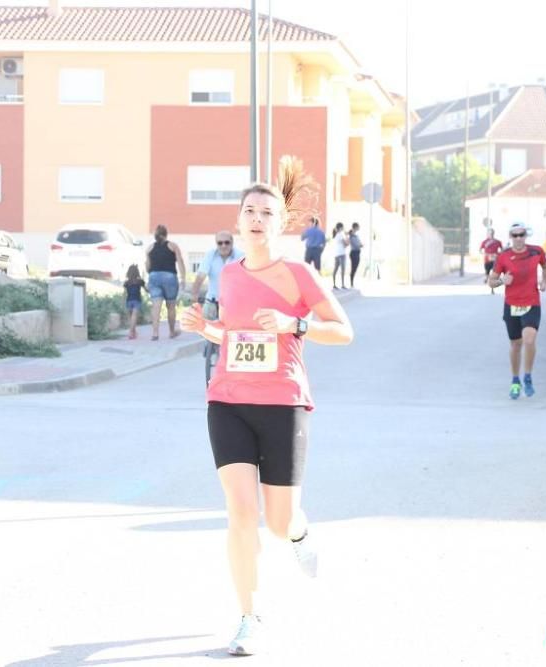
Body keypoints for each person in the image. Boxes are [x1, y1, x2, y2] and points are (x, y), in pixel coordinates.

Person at [179, 158, 353, 657]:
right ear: (238, 220)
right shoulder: (228, 276)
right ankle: (248, 616)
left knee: (278, 522)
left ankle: (298, 534)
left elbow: (343, 332)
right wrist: (205, 329)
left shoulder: (298, 274)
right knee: (240, 512)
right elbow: (235, 338)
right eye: (249, 210)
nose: (257, 219)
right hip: (228, 400)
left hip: (283, 404)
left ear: (281, 224)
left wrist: (293, 323)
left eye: (267, 213)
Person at [488, 222, 546, 400]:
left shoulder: (536, 251)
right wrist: (501, 281)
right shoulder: (503, 256)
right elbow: (491, 282)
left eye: (521, 234)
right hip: (511, 304)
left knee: (529, 339)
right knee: (516, 344)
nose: (519, 238)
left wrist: (544, 282)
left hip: (531, 302)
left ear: (526, 235)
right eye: (515, 235)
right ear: (510, 237)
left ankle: (528, 376)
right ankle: (515, 380)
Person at [145, 224, 187, 340]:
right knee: (171, 306)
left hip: (154, 276)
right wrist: (183, 278)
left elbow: (147, 267)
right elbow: (180, 262)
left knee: (156, 306)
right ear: (166, 234)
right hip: (170, 277)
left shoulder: (149, 248)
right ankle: (172, 332)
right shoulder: (173, 246)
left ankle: (155, 333)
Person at [191, 230, 244, 320]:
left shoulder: (241, 256)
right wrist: (194, 300)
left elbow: (247, 278)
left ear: (232, 243)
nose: (223, 246)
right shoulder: (210, 255)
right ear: (216, 244)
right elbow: (200, 277)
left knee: (230, 332)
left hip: (233, 304)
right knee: (205, 331)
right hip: (212, 302)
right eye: (220, 243)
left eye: (227, 242)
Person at [123, 264, 147, 339]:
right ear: (137, 272)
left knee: (131, 318)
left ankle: (134, 332)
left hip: (128, 300)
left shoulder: (126, 282)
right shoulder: (140, 281)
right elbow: (146, 290)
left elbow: (124, 293)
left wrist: (123, 302)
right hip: (137, 300)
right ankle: (131, 332)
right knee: (134, 317)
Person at [479, 227, 504, 291]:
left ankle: (492, 287)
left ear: (494, 233)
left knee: (494, 273)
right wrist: (485, 254)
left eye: (492, 233)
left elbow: (502, 250)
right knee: (487, 272)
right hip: (487, 259)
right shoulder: (484, 242)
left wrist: (497, 254)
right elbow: (480, 250)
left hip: (495, 260)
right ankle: (487, 278)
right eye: (489, 233)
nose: (491, 234)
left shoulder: (497, 242)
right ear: (487, 234)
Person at [331, 222, 348, 289]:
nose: (343, 228)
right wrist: (347, 239)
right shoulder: (341, 234)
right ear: (341, 227)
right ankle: (343, 284)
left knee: (335, 269)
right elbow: (345, 244)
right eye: (343, 227)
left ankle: (334, 284)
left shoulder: (335, 235)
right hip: (342, 254)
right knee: (342, 269)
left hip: (336, 254)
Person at [347, 222, 363, 288]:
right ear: (355, 227)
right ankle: (351, 282)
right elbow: (355, 245)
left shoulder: (356, 235)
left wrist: (360, 244)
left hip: (357, 252)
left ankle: (352, 281)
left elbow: (359, 243)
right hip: (354, 252)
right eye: (358, 226)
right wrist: (360, 245)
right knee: (353, 268)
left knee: (355, 268)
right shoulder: (352, 235)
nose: (359, 228)